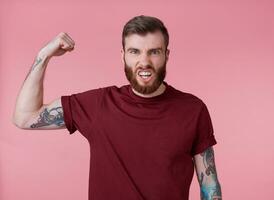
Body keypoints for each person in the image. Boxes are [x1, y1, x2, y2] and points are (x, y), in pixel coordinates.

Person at [13, 15, 222, 200]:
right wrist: (44, 55)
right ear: (123, 55)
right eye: (135, 51)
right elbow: (25, 117)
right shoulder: (97, 105)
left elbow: (209, 186)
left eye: (154, 52)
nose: (144, 61)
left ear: (167, 55)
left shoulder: (193, 110)